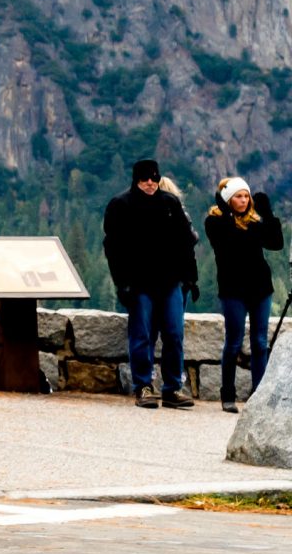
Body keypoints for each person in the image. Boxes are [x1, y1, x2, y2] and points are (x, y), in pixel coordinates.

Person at [102, 159, 200, 410]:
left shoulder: (170, 203)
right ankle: (143, 386)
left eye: (154, 178)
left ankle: (172, 388)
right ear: (136, 179)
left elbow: (185, 243)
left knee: (175, 334)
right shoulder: (121, 205)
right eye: (145, 178)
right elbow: (113, 248)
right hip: (139, 284)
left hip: (170, 282)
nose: (150, 183)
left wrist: (190, 277)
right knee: (142, 335)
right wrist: (121, 283)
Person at [205, 177, 281, 414]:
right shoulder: (215, 222)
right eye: (238, 196)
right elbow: (229, 242)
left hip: (260, 288)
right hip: (232, 290)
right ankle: (228, 394)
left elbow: (276, 243)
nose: (244, 200)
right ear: (228, 200)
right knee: (233, 342)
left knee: (260, 342)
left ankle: (258, 395)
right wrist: (228, 213)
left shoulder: (255, 223)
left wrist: (267, 214)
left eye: (246, 196)